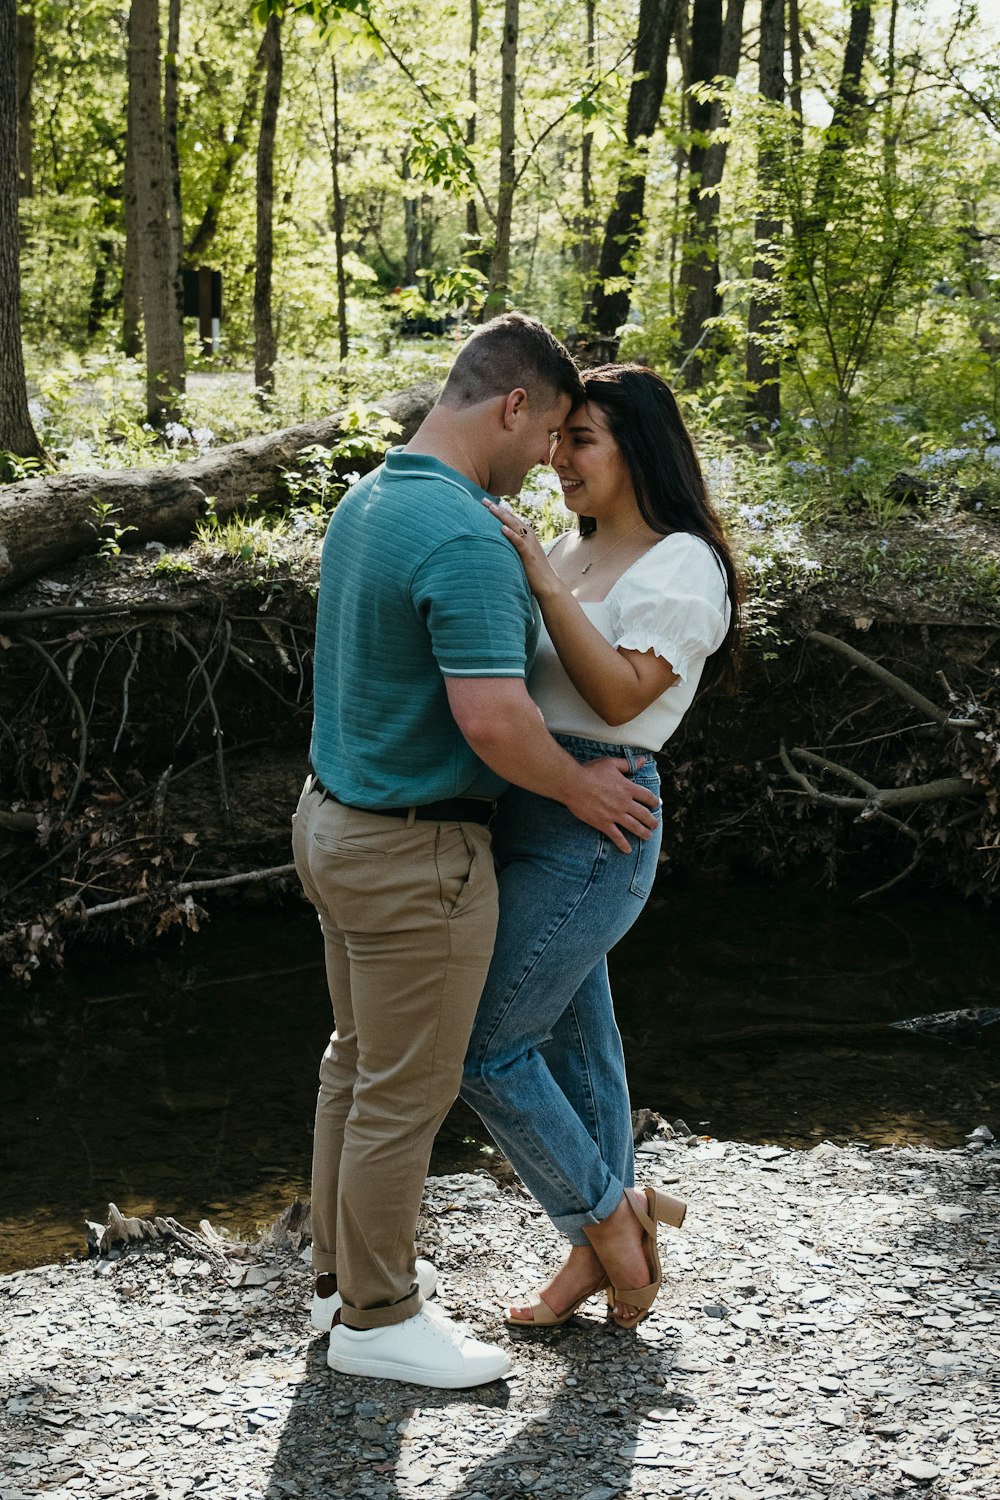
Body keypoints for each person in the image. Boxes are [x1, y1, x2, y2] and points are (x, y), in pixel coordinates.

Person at [292, 316, 661, 1390]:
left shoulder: (371, 499)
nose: (549, 457)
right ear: (512, 406)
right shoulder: (462, 534)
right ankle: (379, 1316)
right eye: (549, 430)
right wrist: (582, 781)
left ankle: (337, 1286)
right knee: (407, 1089)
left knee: (355, 1065)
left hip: (332, 821)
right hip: (415, 852)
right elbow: (497, 722)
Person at [462, 363, 741, 1331]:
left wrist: (539, 577)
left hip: (599, 815)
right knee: (581, 1048)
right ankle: (604, 1245)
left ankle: (606, 1218)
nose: (557, 457)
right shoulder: (579, 556)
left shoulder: (681, 564)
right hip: (533, 803)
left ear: (639, 449)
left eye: (580, 439)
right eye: (556, 438)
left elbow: (622, 695)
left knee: (484, 1047)